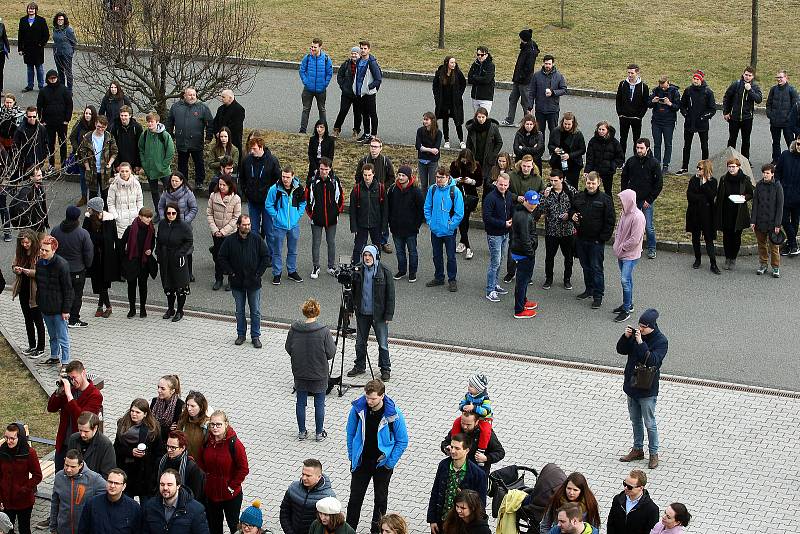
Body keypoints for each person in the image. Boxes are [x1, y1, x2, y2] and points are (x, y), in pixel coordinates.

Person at [345, 379, 409, 534]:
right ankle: (348, 530)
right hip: (361, 461)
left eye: (373, 398)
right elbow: (350, 433)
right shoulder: (357, 409)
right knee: (355, 499)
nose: (369, 401)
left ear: (382, 396)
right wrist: (352, 456)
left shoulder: (394, 413)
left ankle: (377, 531)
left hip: (382, 464)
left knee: (380, 501)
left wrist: (389, 463)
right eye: (367, 397)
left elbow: (402, 441)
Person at [616, 309, 668, 469]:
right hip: (632, 386)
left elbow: (652, 360)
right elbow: (621, 350)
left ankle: (653, 453)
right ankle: (637, 449)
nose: (641, 329)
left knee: (650, 423)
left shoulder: (661, 341)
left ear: (652, 326)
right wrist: (625, 337)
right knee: (635, 420)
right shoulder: (636, 335)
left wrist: (640, 343)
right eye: (640, 325)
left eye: (644, 327)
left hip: (647, 389)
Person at [286, 299, 336, 440]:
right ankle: (319, 433)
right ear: (317, 312)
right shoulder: (323, 331)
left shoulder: (295, 329)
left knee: (300, 402)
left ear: (304, 311)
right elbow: (331, 353)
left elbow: (288, 348)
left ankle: (302, 432)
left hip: (300, 372)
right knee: (319, 403)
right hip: (319, 373)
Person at [217, 215, 270, 348]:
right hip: (237, 282)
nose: (247, 227)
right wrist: (231, 272)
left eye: (249, 224)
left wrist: (258, 274)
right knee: (239, 311)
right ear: (238, 225)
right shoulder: (230, 241)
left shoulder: (257, 239)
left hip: (254, 282)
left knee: (255, 311)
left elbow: (266, 257)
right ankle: (241, 335)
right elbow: (221, 257)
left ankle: (255, 336)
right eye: (244, 224)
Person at [346, 244, 395, 380]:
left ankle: (385, 368)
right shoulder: (358, 270)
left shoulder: (384, 271)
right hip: (362, 313)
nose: (367, 258)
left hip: (379, 315)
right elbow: (352, 292)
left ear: (375, 256)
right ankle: (360, 366)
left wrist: (388, 314)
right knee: (360, 342)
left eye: (369, 255)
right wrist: (350, 309)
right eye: (365, 255)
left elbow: (390, 295)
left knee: (383, 343)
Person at [198, 410, 249, 534]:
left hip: (231, 495)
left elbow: (243, 468)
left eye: (218, 424)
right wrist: (207, 480)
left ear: (226, 424)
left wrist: (231, 486)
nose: (215, 428)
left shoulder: (235, 444)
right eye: (212, 424)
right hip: (211, 494)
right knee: (214, 526)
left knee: (233, 526)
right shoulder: (206, 441)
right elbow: (201, 462)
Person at [46, 360, 103, 471]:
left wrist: (69, 396)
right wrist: (59, 391)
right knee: (60, 479)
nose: (72, 381)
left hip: (81, 447)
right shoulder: (68, 390)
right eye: (69, 378)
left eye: (74, 377)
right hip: (63, 444)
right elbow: (51, 408)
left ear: (83, 373)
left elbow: (82, 420)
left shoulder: (95, 395)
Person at [426, 434, 487, 533]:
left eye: (457, 448)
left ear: (466, 450)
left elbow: (481, 504)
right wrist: (432, 520)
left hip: (462, 525)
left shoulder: (478, 474)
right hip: (441, 520)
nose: (453, 451)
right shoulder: (443, 465)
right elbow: (435, 493)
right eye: (452, 447)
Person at [572, 172, 615, 310]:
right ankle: (588, 290)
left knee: (597, 268)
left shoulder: (605, 199)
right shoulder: (579, 196)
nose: (590, 186)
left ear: (599, 183)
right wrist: (572, 215)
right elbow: (572, 208)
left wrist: (603, 238)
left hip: (596, 242)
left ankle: (598, 296)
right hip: (581, 238)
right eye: (588, 183)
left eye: (593, 183)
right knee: (586, 266)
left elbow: (610, 220)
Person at [113, 398, 165, 504]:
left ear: (145, 414)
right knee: (126, 505)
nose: (134, 414)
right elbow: (116, 448)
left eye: (137, 412)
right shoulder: (122, 424)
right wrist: (130, 452)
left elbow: (159, 452)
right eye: (132, 411)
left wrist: (154, 471)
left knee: (146, 507)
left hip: (145, 474)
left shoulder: (152, 429)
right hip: (127, 471)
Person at [50, 205, 93, 328]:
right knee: (76, 295)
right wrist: (87, 265)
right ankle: (73, 319)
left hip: (59, 269)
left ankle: (60, 316)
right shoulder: (83, 234)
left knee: (62, 293)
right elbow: (88, 253)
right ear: (77, 218)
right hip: (77, 270)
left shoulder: (56, 230)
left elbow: (52, 249)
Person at [620, 138, 663, 259]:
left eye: (641, 148)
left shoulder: (654, 163)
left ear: (647, 148)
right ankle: (631, 247)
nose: (639, 150)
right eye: (637, 148)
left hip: (646, 201)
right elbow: (624, 177)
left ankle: (651, 248)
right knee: (630, 225)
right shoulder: (631, 161)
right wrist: (625, 195)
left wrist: (649, 200)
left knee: (648, 227)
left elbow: (658, 184)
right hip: (632, 200)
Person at [424, 167, 464, 292]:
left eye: (441, 177)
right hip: (435, 230)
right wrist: (430, 222)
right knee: (436, 255)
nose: (438, 180)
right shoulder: (433, 189)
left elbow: (459, 213)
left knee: (451, 256)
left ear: (447, 177)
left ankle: (452, 279)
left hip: (449, 232)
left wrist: (450, 225)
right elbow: (427, 206)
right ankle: (439, 277)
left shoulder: (455, 191)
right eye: (437, 177)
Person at [35, 234, 73, 366]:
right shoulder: (39, 264)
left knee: (63, 337)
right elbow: (40, 285)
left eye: (46, 250)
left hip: (59, 310)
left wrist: (66, 310)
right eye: (41, 249)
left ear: (54, 250)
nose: (43, 252)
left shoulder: (62, 265)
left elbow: (68, 289)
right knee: (52, 336)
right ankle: (54, 356)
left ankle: (66, 362)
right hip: (46, 307)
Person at [239, 134, 281, 255]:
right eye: (250, 149)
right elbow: (242, 177)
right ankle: (255, 254)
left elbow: (278, 182)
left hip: (268, 203)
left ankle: (271, 256)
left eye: (254, 149)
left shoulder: (272, 161)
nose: (252, 151)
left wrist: (273, 197)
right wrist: (245, 192)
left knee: (269, 231)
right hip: (253, 201)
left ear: (261, 147)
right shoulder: (247, 160)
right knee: (253, 230)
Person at [49, 449, 106, 534]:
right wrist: (53, 526)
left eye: (72, 467)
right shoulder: (59, 477)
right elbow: (55, 503)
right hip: (63, 530)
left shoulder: (94, 479)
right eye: (66, 465)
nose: (68, 469)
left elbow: (111, 492)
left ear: (80, 465)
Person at [166, 87, 213, 187]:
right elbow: (169, 122)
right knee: (182, 164)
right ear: (184, 95)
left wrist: (208, 136)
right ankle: (183, 182)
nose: (192, 97)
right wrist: (171, 134)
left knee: (199, 163)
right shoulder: (176, 107)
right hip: (181, 141)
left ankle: (199, 182)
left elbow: (210, 122)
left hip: (197, 141)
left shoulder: (202, 107)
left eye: (194, 95)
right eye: (190, 95)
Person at [0, 422, 43, 534]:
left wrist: (24, 488)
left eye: (12, 438)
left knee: (24, 529)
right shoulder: (2, 451)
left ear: (19, 438)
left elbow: (37, 476)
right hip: (6, 500)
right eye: (6, 437)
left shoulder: (29, 453)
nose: (8, 441)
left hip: (23, 500)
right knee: (8, 529)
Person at [266, 166, 306, 284]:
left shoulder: (298, 189)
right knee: (277, 250)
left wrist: (297, 216)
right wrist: (277, 217)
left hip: (293, 225)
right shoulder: (275, 189)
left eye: (287, 177)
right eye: (283, 176)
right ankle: (277, 273)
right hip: (279, 226)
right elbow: (268, 205)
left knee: (293, 250)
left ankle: (292, 271)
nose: (285, 179)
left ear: (293, 176)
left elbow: (303, 203)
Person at [354, 137, 395, 253]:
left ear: (381, 148)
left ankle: (383, 241)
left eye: (376, 147)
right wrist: (363, 187)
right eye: (372, 146)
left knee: (383, 217)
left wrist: (382, 188)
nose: (373, 149)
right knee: (364, 216)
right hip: (365, 194)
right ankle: (361, 240)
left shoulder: (386, 161)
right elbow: (357, 176)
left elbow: (392, 177)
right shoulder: (364, 160)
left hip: (381, 195)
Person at [305, 158, 343, 278]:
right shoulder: (312, 182)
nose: (324, 172)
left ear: (330, 169)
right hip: (316, 219)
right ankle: (316, 266)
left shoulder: (335, 181)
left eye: (326, 169)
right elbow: (307, 199)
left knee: (331, 242)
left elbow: (341, 197)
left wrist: (337, 212)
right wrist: (311, 214)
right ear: (318, 168)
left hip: (331, 219)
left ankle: (331, 266)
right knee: (316, 243)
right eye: (321, 169)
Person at [539, 169, 577, 290]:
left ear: (562, 179)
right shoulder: (547, 191)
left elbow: (577, 206)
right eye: (551, 180)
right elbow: (541, 209)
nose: (553, 183)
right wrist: (544, 197)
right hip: (552, 231)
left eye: (555, 180)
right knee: (549, 257)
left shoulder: (571, 191)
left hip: (567, 231)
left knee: (569, 257)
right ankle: (548, 279)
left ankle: (567, 279)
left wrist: (569, 215)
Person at [612, 189, 645, 323]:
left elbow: (635, 239)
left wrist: (621, 247)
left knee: (625, 280)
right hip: (622, 252)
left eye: (622, 200)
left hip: (630, 254)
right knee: (628, 279)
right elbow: (619, 230)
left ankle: (626, 310)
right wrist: (617, 245)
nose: (621, 202)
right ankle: (628, 304)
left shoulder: (638, 217)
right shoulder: (624, 213)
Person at [11, 229, 45, 357]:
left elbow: (41, 273)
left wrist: (27, 271)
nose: (25, 245)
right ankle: (31, 345)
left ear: (32, 241)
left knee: (38, 320)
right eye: (22, 243)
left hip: (35, 292)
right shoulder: (20, 253)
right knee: (27, 319)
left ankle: (40, 347)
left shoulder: (38, 254)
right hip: (23, 290)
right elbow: (13, 265)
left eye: (27, 242)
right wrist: (16, 269)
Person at [387, 165, 424, 282]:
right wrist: (390, 222)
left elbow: (421, 210)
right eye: (399, 175)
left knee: (412, 252)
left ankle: (413, 272)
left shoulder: (416, 191)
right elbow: (388, 207)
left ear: (409, 177)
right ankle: (402, 270)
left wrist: (416, 225)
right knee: (399, 252)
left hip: (411, 229)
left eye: (403, 175)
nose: (401, 177)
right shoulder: (393, 190)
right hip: (396, 228)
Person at [142, 469, 210, 534]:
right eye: (162, 484)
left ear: (178, 486)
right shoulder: (150, 506)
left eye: (169, 484)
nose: (165, 488)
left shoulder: (196, 510)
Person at [715, 158, 754, 270]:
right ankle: (727, 257)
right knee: (727, 237)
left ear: (738, 167)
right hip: (726, 212)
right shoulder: (723, 179)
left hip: (739, 213)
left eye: (734, 167)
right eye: (730, 167)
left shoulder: (745, 179)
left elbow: (750, 193)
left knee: (736, 236)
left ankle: (733, 258)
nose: (731, 169)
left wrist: (744, 197)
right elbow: (719, 196)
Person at [156, 203, 193, 321]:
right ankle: (170, 308)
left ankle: (180, 310)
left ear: (177, 213)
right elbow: (159, 239)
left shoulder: (183, 226)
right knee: (168, 285)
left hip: (178, 259)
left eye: (173, 213)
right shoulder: (162, 224)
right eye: (168, 213)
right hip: (165, 258)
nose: (171, 215)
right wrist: (158, 253)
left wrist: (180, 253)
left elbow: (189, 241)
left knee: (180, 286)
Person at [77, 468, 142, 534]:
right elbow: (83, 530)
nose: (112, 486)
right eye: (110, 482)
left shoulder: (133, 508)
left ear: (123, 486)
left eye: (116, 483)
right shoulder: (92, 504)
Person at [441, 411, 505, 476]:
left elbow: (500, 452)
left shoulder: (486, 435)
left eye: (468, 424)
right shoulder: (457, 429)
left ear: (476, 422)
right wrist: (446, 448)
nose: (465, 427)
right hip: (457, 472)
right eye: (463, 423)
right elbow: (445, 443)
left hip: (477, 474)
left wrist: (486, 458)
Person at [280, 459, 336, 534]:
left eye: (308, 475)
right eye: (303, 474)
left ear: (319, 477)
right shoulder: (293, 488)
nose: (304, 478)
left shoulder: (328, 497)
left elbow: (330, 524)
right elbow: (284, 512)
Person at [83, 196, 118, 317]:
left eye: (90, 208)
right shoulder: (88, 219)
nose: (88, 210)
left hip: (106, 256)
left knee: (104, 282)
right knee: (98, 282)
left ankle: (106, 306)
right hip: (94, 255)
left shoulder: (109, 220)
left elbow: (109, 238)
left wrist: (97, 238)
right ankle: (102, 305)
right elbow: (86, 235)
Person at [676, 70, 716, 175]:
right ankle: (684, 167)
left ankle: (705, 168)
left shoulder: (708, 92)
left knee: (704, 146)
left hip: (702, 124)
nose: (695, 81)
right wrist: (686, 115)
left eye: (697, 79)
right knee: (687, 146)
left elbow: (712, 109)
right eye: (694, 78)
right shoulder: (688, 91)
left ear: (701, 80)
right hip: (689, 123)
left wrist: (703, 117)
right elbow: (682, 105)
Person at [509, 190, 540, 319]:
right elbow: (525, 239)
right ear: (525, 201)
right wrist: (531, 253)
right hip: (524, 254)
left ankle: (523, 301)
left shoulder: (522, 212)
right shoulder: (524, 217)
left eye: (535, 203)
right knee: (522, 281)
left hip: (520, 251)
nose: (533, 206)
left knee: (524, 280)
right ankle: (519, 310)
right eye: (531, 203)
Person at [482, 171, 513, 301]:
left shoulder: (509, 195)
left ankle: (495, 284)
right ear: (496, 183)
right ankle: (490, 290)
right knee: (495, 262)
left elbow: (511, 210)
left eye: (505, 185)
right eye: (501, 184)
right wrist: (503, 223)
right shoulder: (490, 198)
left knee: (500, 261)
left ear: (508, 184)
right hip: (494, 234)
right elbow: (487, 218)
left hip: (505, 233)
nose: (503, 187)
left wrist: (511, 220)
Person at [207, 174, 241, 290]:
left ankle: (232, 280)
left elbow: (236, 218)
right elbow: (209, 214)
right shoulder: (213, 196)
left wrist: (224, 231)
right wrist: (215, 230)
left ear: (230, 186)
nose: (221, 187)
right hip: (216, 233)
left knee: (231, 258)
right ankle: (218, 279)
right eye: (220, 184)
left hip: (230, 233)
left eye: (224, 185)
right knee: (218, 257)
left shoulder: (236, 198)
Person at [121, 207, 156, 318]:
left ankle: (142, 308)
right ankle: (132, 308)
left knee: (143, 286)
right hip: (132, 261)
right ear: (140, 216)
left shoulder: (151, 229)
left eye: (150, 217)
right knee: (131, 285)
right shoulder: (131, 229)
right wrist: (125, 257)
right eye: (146, 217)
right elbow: (121, 244)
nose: (148, 219)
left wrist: (150, 250)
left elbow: (152, 243)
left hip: (144, 262)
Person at [685, 159, 719, 273]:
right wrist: (701, 198)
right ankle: (697, 258)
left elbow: (711, 196)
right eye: (697, 168)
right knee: (695, 238)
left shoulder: (713, 181)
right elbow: (690, 196)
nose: (698, 170)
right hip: (695, 213)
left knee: (709, 239)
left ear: (706, 170)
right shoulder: (693, 180)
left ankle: (713, 263)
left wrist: (704, 185)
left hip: (707, 215)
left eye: (700, 168)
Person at [138, 112, 176, 214]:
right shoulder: (145, 134)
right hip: (150, 170)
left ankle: (170, 213)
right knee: (154, 193)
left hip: (164, 171)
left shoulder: (164, 135)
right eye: (148, 122)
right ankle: (159, 213)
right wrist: (144, 163)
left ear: (157, 122)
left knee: (169, 192)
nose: (150, 124)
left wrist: (164, 165)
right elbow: (141, 149)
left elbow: (171, 151)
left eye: (152, 122)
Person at [751, 163, 784, 278]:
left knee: (774, 247)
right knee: (761, 245)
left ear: (772, 174)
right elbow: (755, 204)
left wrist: (778, 224)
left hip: (772, 223)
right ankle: (763, 264)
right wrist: (753, 221)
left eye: (767, 173)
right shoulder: (759, 185)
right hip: (760, 221)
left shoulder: (777, 186)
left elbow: (780, 207)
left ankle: (775, 267)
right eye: (764, 173)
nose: (765, 175)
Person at [350, 165, 388, 264]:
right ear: (362, 175)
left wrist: (384, 226)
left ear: (373, 174)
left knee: (377, 248)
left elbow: (385, 209)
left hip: (376, 224)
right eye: (365, 175)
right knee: (358, 248)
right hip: (361, 224)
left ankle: (376, 267)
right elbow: (352, 210)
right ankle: (355, 268)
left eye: (369, 175)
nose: (367, 177)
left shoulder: (381, 188)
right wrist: (353, 227)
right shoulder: (356, 189)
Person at [450, 148, 484, 258]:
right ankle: (464, 243)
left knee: (465, 218)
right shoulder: (454, 165)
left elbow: (479, 182)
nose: (464, 162)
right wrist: (457, 180)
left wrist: (471, 181)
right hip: (457, 194)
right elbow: (450, 179)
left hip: (470, 195)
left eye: (466, 161)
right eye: (463, 160)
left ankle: (463, 242)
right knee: (461, 218)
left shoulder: (476, 166)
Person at [723, 66, 762, 159]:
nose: (747, 77)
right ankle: (729, 158)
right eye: (746, 75)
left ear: (753, 77)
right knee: (732, 139)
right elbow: (727, 97)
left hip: (747, 118)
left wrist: (750, 90)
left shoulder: (755, 87)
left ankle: (745, 160)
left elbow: (758, 99)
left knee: (746, 141)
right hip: (734, 117)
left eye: (749, 75)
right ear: (743, 74)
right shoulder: (736, 85)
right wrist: (726, 112)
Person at [501, 29, 539, 127]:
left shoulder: (530, 51)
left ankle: (528, 121)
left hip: (524, 81)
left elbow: (528, 68)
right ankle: (510, 119)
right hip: (518, 79)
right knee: (512, 98)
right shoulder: (528, 46)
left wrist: (521, 76)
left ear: (523, 39)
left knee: (525, 102)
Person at [528, 55, 568, 145]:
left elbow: (564, 90)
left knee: (554, 132)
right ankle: (539, 151)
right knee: (539, 132)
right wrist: (529, 107)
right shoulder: (536, 76)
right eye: (546, 63)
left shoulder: (558, 76)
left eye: (549, 64)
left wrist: (553, 92)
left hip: (553, 110)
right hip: (540, 110)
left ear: (553, 64)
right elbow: (531, 92)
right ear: (543, 63)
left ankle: (552, 152)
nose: (547, 66)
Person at [36, 69, 72, 168]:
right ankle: (51, 165)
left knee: (63, 144)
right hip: (49, 123)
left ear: (57, 78)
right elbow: (39, 106)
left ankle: (64, 164)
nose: (53, 80)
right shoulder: (43, 91)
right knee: (50, 145)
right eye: (51, 78)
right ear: (47, 79)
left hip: (62, 122)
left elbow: (69, 104)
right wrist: (42, 120)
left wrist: (67, 119)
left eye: (54, 78)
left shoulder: (64, 89)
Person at [451, 374, 493, 460]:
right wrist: (463, 407)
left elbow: (486, 411)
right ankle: (454, 442)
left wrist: (474, 408)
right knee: (456, 422)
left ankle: (481, 450)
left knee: (485, 431)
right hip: (469, 417)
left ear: (478, 389)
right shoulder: (468, 395)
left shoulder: (485, 398)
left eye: (471, 386)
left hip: (483, 419)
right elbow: (461, 404)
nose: (469, 387)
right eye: (469, 385)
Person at [78, 115, 118, 201]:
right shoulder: (87, 137)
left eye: (103, 127)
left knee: (105, 194)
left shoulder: (109, 137)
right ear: (95, 124)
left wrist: (109, 164)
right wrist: (87, 167)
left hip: (105, 171)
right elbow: (82, 153)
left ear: (106, 126)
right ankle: (93, 213)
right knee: (93, 194)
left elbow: (114, 151)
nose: (100, 129)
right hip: (92, 170)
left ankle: (105, 212)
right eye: (98, 126)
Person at [66, 411, 115, 478]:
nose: (82, 434)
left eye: (86, 431)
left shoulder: (105, 445)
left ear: (95, 428)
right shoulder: (73, 439)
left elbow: (107, 473)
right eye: (80, 430)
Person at [157, 431, 204, 501]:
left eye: (173, 447)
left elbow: (195, 494)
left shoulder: (191, 467)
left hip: (184, 503)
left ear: (182, 448)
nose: (169, 450)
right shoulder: (161, 461)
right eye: (168, 446)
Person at [299, 38, 333, 134]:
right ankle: (302, 130)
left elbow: (329, 73)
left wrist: (324, 84)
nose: (312, 49)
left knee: (322, 109)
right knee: (306, 109)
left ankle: (323, 130)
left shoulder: (326, 59)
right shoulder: (307, 57)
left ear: (320, 47)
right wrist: (306, 82)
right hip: (308, 89)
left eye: (315, 47)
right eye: (312, 47)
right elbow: (302, 70)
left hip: (321, 90)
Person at [648, 75, 681, 174]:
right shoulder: (656, 91)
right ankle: (657, 162)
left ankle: (666, 164)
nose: (662, 88)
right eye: (661, 86)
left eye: (664, 86)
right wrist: (653, 101)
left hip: (668, 122)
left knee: (668, 143)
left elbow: (677, 107)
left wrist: (669, 103)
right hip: (656, 121)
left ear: (668, 82)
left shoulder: (674, 92)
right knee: (657, 143)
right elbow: (648, 104)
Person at [432, 56, 467, 150]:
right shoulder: (440, 73)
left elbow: (463, 83)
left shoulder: (457, 73)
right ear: (447, 63)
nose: (453, 64)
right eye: (452, 63)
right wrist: (437, 97)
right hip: (444, 102)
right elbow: (435, 85)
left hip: (455, 102)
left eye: (454, 63)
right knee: (445, 120)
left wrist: (459, 95)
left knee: (457, 121)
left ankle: (461, 140)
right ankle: (446, 140)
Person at [465, 106, 501, 194]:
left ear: (486, 117)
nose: (481, 119)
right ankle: (472, 198)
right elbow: (468, 143)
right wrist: (468, 157)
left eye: (483, 117)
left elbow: (499, 142)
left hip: (487, 158)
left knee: (487, 181)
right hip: (475, 158)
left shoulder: (493, 128)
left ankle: (485, 200)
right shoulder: (472, 128)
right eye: (479, 117)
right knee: (473, 179)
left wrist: (493, 155)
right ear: (476, 117)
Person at [615, 64, 650, 157]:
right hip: (624, 117)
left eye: (632, 73)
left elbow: (645, 103)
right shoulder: (622, 84)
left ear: (637, 73)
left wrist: (640, 116)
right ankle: (621, 160)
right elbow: (618, 99)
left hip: (636, 118)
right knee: (623, 139)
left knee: (636, 139)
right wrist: (620, 113)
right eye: (628, 73)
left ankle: (636, 158)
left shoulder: (643, 87)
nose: (630, 75)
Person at [584, 121, 624, 195]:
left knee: (608, 192)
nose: (601, 131)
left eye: (603, 130)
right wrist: (587, 170)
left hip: (608, 171)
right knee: (592, 190)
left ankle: (609, 206)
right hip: (595, 170)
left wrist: (613, 165)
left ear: (607, 130)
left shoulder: (614, 142)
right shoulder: (593, 141)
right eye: (599, 129)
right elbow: (589, 157)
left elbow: (620, 157)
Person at [767, 70, 798, 164]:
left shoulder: (791, 90)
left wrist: (789, 119)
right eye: (778, 77)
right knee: (775, 143)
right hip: (774, 122)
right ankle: (776, 160)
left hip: (787, 124)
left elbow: (796, 107)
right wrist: (770, 115)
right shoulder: (773, 89)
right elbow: (768, 104)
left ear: (786, 78)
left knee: (791, 143)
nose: (779, 79)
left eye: (781, 77)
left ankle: (793, 160)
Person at [548, 112, 586, 189]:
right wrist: (555, 149)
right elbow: (550, 145)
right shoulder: (556, 131)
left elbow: (582, 149)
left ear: (573, 124)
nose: (567, 126)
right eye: (565, 124)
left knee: (572, 185)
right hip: (558, 162)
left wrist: (569, 155)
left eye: (569, 124)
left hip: (573, 163)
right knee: (556, 183)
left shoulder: (578, 134)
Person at [107, 162, 144, 242]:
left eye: (126, 171)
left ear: (130, 171)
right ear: (119, 172)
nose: (124, 173)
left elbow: (140, 200)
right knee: (121, 244)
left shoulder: (136, 184)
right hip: (120, 220)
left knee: (134, 243)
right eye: (122, 171)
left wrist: (139, 214)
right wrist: (116, 216)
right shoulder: (114, 185)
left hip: (134, 218)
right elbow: (110, 203)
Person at [354, 41, 382, 143]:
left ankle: (373, 136)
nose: (362, 50)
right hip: (360, 93)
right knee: (364, 114)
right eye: (361, 48)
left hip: (369, 93)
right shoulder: (358, 61)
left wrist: (368, 87)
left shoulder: (372, 63)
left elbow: (378, 79)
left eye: (365, 48)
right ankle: (366, 134)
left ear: (369, 50)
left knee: (372, 114)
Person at [18, 2, 49, 93]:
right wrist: (20, 48)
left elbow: (46, 35)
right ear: (27, 10)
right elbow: (20, 35)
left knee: (39, 68)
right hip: (27, 49)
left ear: (36, 10)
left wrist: (41, 44)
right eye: (29, 8)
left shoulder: (41, 20)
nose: (30, 10)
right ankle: (30, 85)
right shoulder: (23, 20)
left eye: (32, 8)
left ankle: (41, 86)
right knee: (29, 68)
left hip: (38, 49)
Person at [333, 47, 362, 140]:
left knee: (357, 113)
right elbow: (340, 76)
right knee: (343, 111)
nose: (354, 55)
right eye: (352, 53)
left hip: (358, 94)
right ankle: (336, 129)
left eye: (356, 53)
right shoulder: (346, 64)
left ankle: (356, 131)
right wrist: (343, 86)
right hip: (347, 93)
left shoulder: (363, 64)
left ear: (359, 54)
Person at [777, 139, 800, 256]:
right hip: (784, 195)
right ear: (796, 143)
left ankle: (789, 245)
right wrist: (779, 185)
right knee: (784, 220)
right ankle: (793, 245)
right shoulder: (786, 155)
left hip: (798, 198)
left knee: (795, 222)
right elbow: (778, 172)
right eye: (799, 144)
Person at [176, 391, 210, 461]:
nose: (189, 409)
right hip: (183, 460)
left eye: (192, 406)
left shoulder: (207, 424)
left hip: (199, 463)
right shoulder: (183, 419)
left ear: (201, 407)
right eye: (187, 405)